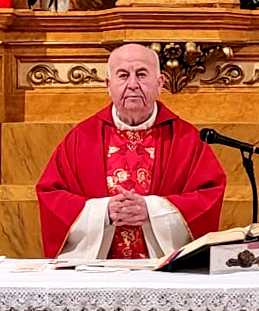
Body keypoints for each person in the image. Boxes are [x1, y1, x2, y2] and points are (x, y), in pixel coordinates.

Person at [36, 42, 226, 260]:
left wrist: (152, 210)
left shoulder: (187, 139)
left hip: (164, 271)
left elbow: (209, 195)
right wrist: (104, 212)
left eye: (142, 74)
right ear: (108, 85)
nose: (133, 84)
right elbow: (51, 196)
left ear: (159, 83)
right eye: (123, 75)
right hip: (98, 271)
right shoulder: (80, 138)